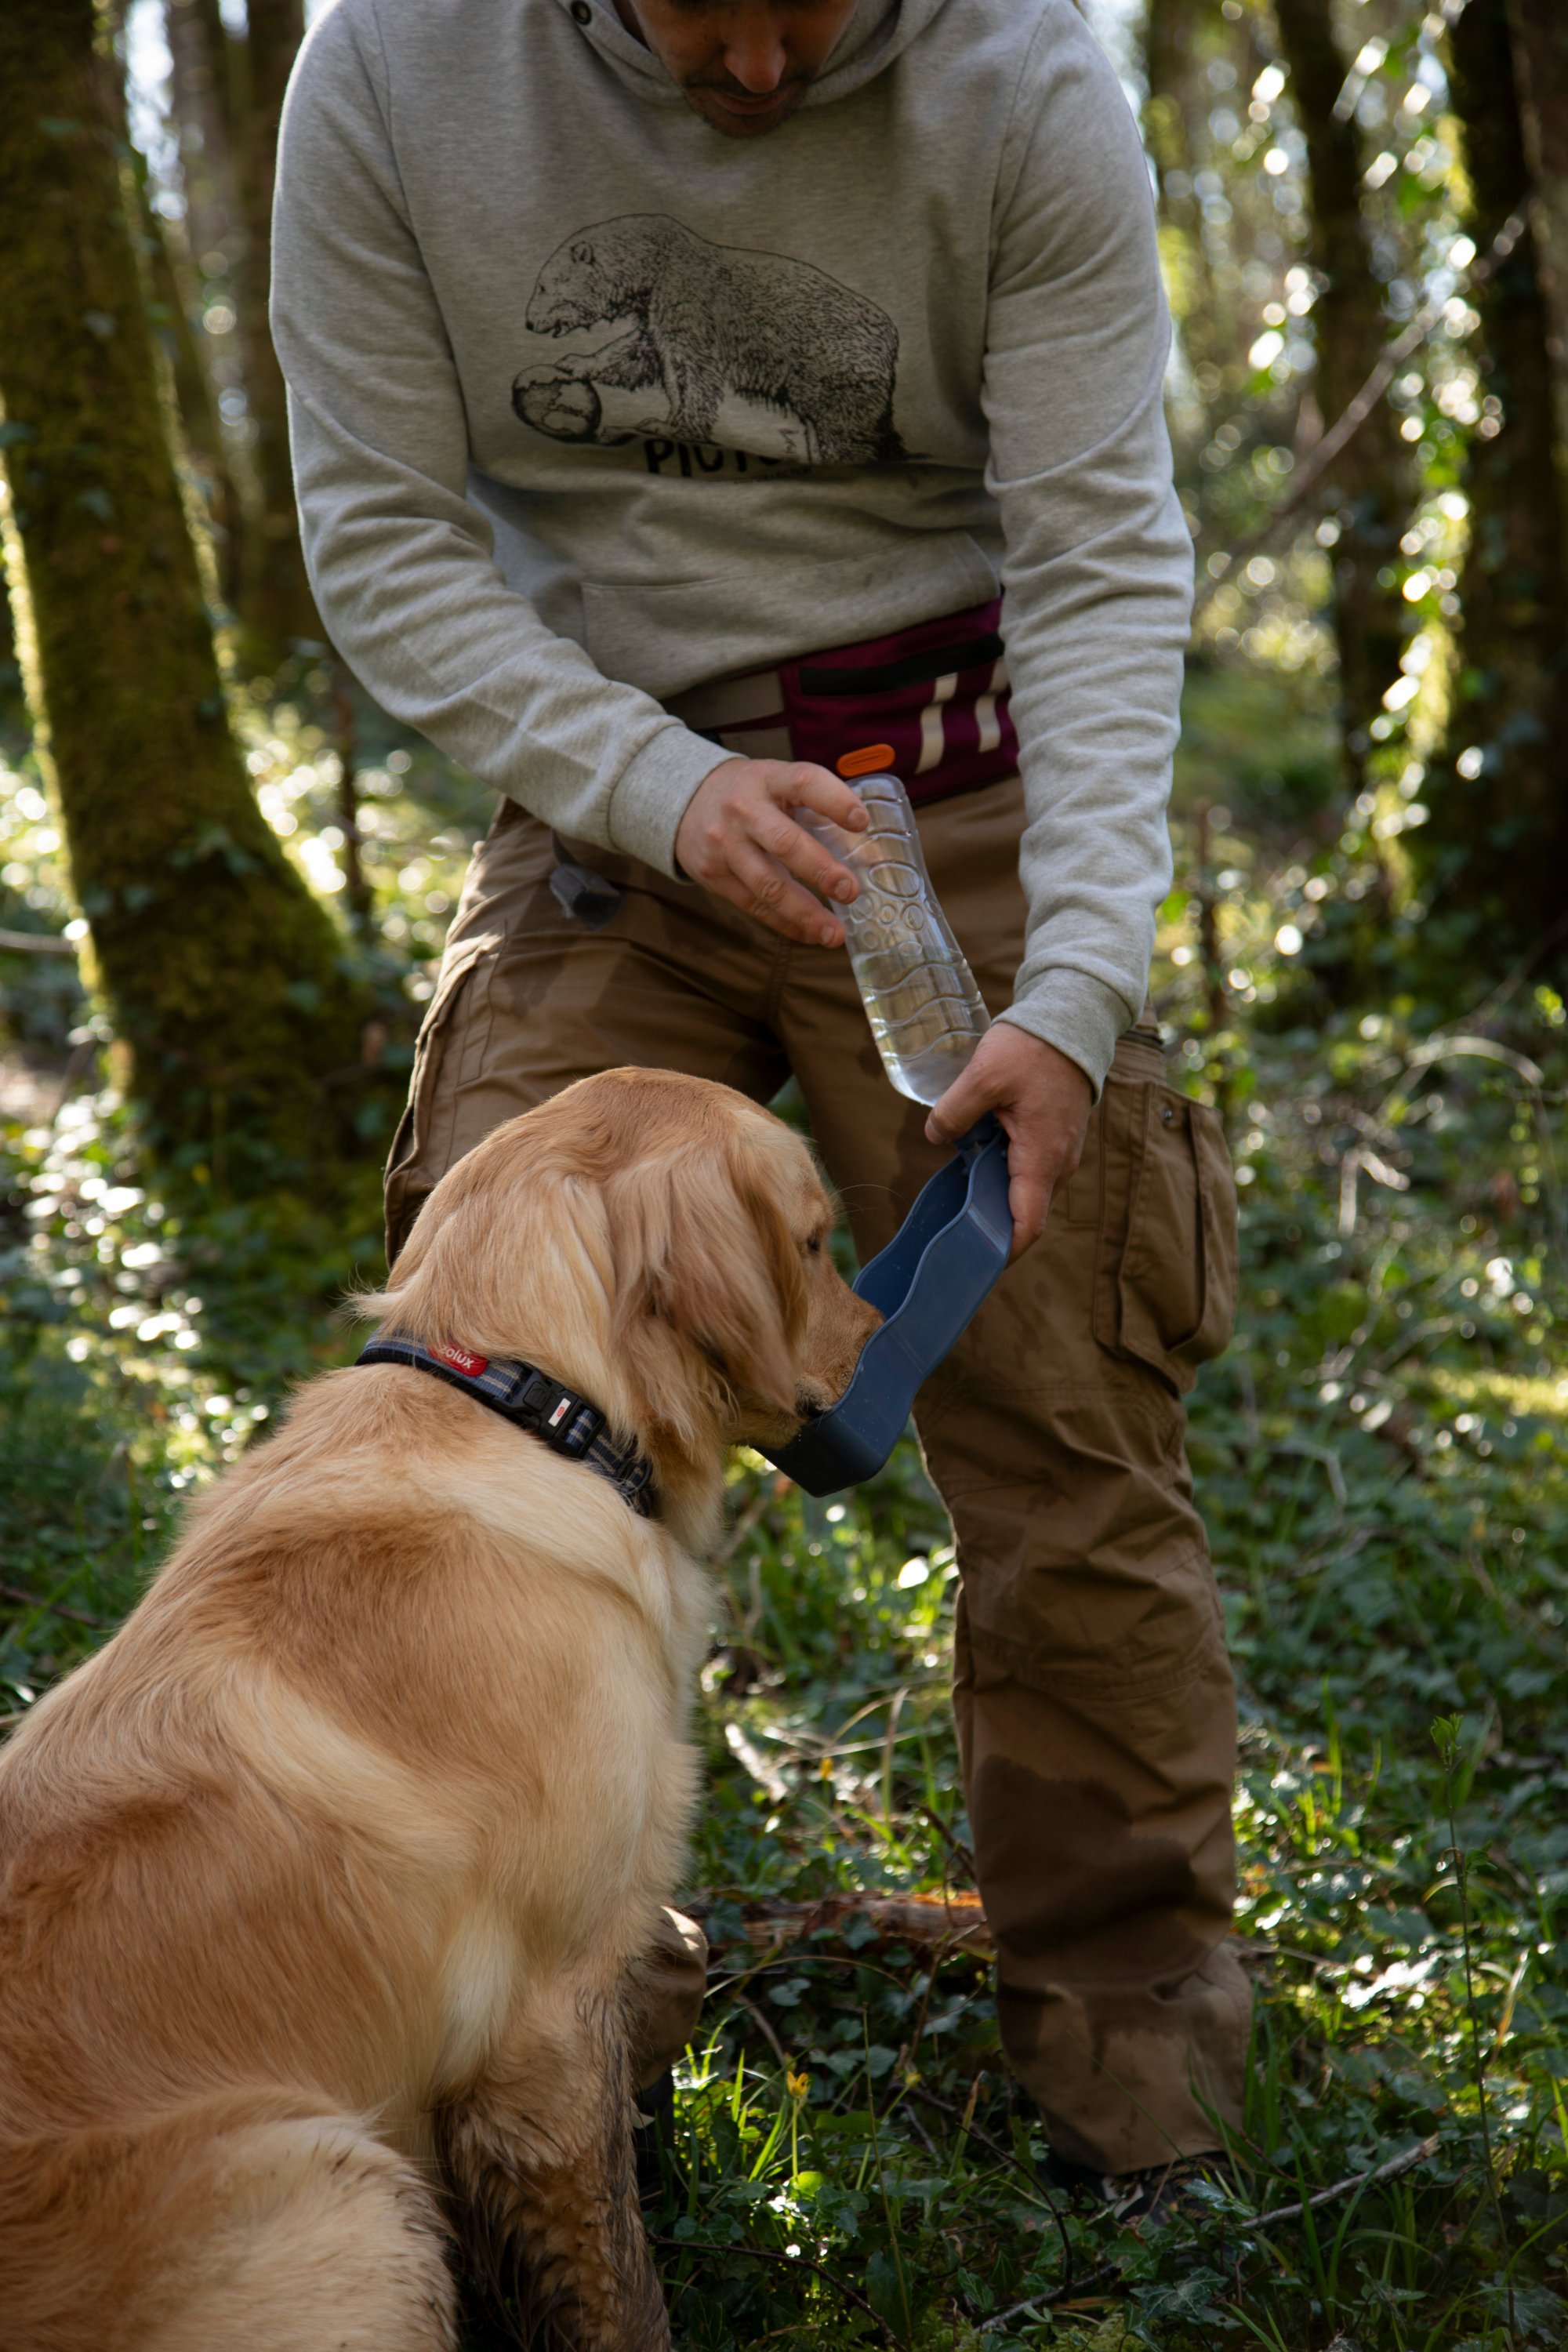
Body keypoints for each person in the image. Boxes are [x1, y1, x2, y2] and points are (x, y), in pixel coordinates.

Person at [272, 0, 1248, 2205]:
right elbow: (386, 541)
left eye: (806, 13)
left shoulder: (1029, 82)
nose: (745, 72)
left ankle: (1143, 2095)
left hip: (961, 779)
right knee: (470, 1418)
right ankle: (522, 2046)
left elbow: (1102, 551)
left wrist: (1077, 989)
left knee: (1063, 1427)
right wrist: (664, 789)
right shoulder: (387, 68)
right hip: (610, 788)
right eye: (693, 14)